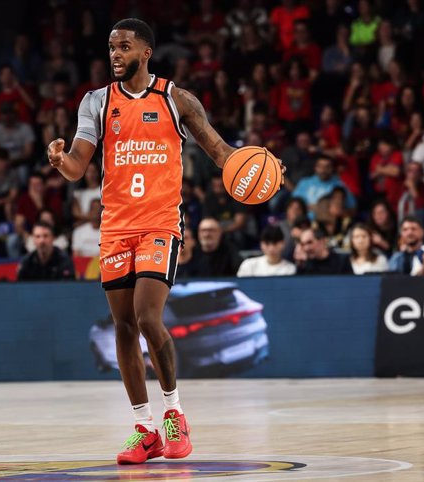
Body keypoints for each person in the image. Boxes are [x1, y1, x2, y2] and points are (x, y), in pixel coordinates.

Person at [46, 19, 284, 465]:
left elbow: (221, 153)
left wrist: (261, 170)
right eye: (111, 47)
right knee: (122, 327)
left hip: (159, 224)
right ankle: (145, 428)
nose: (115, 54)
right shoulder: (96, 102)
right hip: (116, 226)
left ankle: (174, 414)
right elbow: (78, 166)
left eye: (124, 47)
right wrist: (60, 159)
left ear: (146, 51)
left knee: (147, 316)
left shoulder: (177, 100)